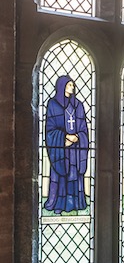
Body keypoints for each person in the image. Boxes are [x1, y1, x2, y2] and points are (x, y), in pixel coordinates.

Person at [44, 75, 89, 212]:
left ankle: (76, 203)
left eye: (73, 85)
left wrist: (78, 137)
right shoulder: (53, 104)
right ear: (61, 86)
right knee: (61, 172)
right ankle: (59, 204)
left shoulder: (78, 105)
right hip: (61, 148)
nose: (72, 87)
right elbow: (50, 129)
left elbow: (84, 128)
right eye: (69, 85)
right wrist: (64, 138)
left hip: (76, 148)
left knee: (74, 173)